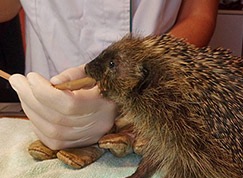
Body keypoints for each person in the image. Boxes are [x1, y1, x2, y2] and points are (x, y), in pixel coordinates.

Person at [0, 0, 218, 150]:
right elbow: (6, 9)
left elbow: (198, 14)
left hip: (154, 96)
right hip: (48, 107)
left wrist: (146, 72)